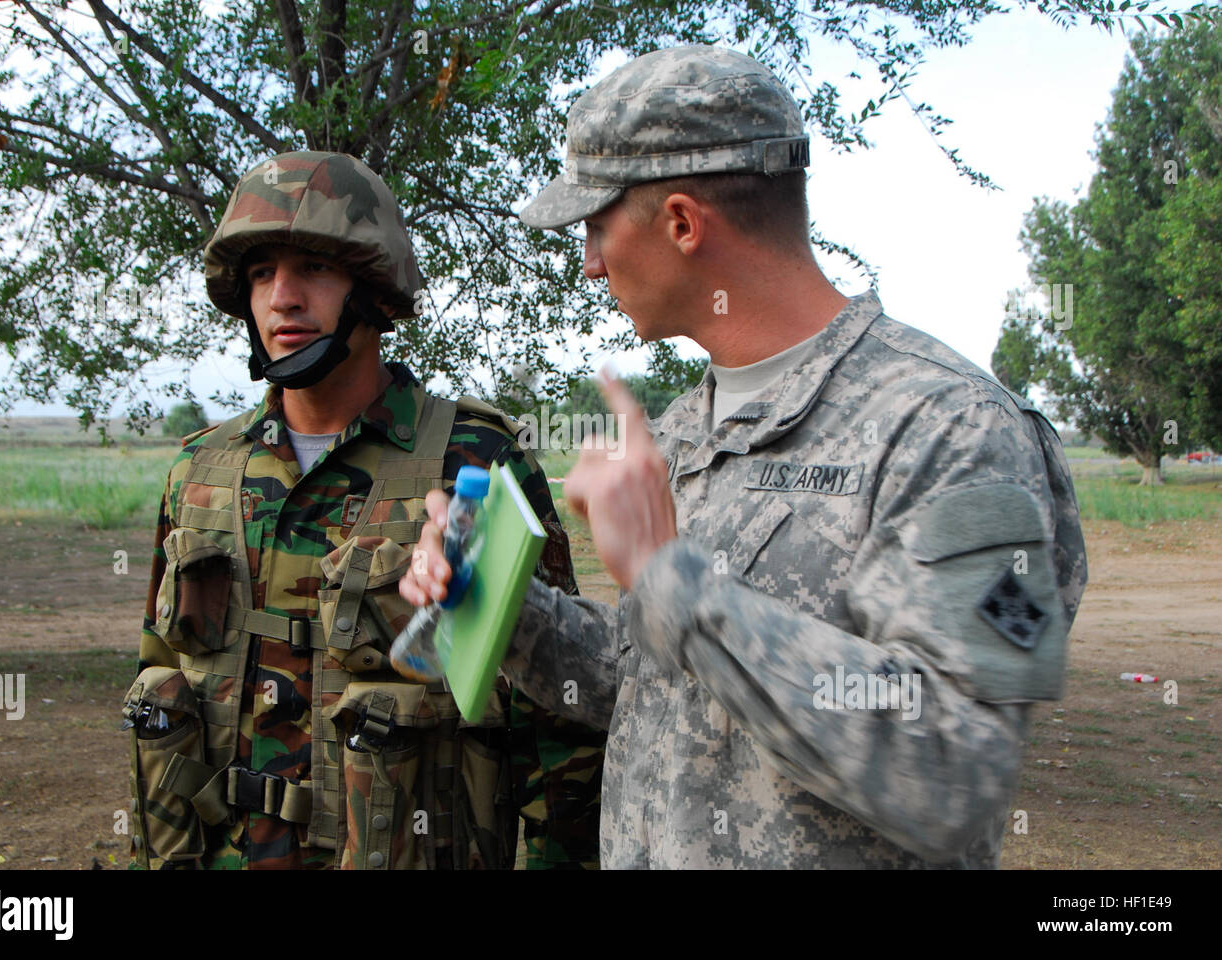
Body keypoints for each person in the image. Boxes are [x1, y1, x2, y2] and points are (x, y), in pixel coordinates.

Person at [400, 46, 1088, 868]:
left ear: (684, 224)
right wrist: (500, 608)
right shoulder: (688, 426)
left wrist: (672, 581)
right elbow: (656, 676)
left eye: (595, 226)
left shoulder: (955, 426)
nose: (588, 263)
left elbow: (956, 768)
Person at [124, 150, 604, 870]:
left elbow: (556, 722)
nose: (282, 297)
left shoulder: (473, 462)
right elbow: (162, 670)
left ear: (375, 290)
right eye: (261, 274)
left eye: (313, 268)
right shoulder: (201, 469)